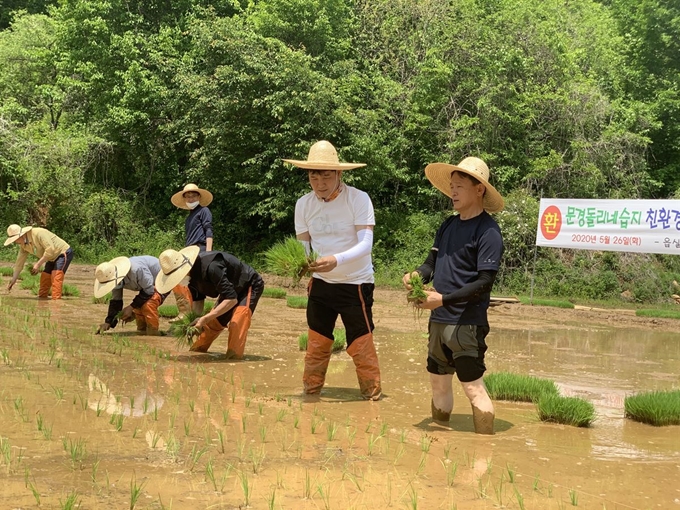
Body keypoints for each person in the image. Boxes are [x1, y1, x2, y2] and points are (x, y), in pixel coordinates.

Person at [402, 157, 504, 434]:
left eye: (459, 186)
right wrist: (416, 276)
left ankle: (486, 448)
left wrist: (443, 299)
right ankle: (438, 441)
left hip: (466, 322)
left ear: (479, 189)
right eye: (451, 186)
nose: (453, 192)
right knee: (438, 383)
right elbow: (431, 265)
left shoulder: (488, 232)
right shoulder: (447, 225)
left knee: (472, 387)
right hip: (439, 320)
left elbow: (484, 282)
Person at [283, 140, 381, 401]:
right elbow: (303, 246)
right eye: (314, 175)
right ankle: (311, 393)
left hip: (355, 283)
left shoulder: (358, 199)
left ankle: (371, 396)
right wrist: (303, 265)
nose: (320, 181)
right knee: (317, 341)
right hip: (321, 283)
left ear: (339, 174)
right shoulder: (303, 205)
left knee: (360, 342)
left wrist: (336, 259)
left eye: (326, 174)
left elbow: (365, 244)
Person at [155, 246, 264, 359]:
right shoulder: (191, 279)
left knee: (237, 321)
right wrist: (194, 324)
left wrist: (206, 318)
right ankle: (196, 352)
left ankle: (233, 361)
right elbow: (198, 305)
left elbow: (231, 300)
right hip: (230, 292)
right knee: (211, 325)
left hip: (248, 284)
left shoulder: (212, 267)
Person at [93, 256, 168, 336]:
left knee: (147, 304)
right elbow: (116, 301)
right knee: (139, 306)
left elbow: (149, 291)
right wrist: (108, 322)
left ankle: (153, 332)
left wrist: (131, 307)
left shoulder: (136, 270)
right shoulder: (114, 279)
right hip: (147, 287)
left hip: (163, 281)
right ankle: (142, 330)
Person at [170, 183, 214, 319]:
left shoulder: (204, 211)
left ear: (199, 197)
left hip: (200, 250)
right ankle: (193, 317)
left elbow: (208, 230)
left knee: (196, 283)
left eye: (193, 196)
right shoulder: (189, 217)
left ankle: (194, 316)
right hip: (189, 251)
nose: (190, 199)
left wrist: (208, 252)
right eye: (188, 197)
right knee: (193, 284)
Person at [4, 224, 74, 300]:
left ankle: (56, 302)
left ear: (21, 235)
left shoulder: (39, 233)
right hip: (50, 257)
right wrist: (14, 279)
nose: (15, 242)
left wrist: (38, 264)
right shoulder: (23, 245)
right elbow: (19, 263)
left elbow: (50, 250)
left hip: (62, 252)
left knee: (56, 276)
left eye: (15, 240)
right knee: (45, 276)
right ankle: (42, 299)